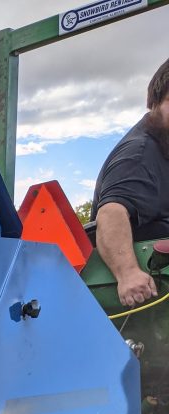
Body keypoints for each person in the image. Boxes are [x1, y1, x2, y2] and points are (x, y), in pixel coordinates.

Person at [92, 58, 169, 308]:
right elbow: (111, 212)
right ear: (157, 101)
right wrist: (128, 273)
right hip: (148, 297)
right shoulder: (140, 154)